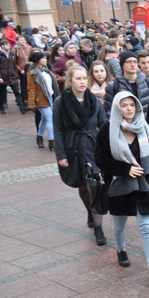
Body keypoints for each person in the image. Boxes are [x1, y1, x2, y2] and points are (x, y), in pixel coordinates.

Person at [95, 91, 149, 283]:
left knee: (146, 226)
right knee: (119, 224)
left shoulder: (144, 127)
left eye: (131, 105)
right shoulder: (108, 129)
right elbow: (100, 158)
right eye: (124, 105)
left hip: (143, 183)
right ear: (118, 108)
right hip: (119, 183)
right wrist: (125, 169)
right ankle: (121, 249)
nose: (129, 109)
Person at [52, 64, 107, 245]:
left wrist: (106, 147)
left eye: (84, 78)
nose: (82, 82)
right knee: (83, 185)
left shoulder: (93, 101)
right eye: (78, 79)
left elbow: (103, 124)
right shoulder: (61, 102)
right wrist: (60, 154)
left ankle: (98, 228)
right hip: (73, 146)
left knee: (96, 184)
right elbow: (58, 130)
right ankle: (89, 211)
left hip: (92, 146)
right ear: (70, 80)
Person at [104, 51, 149, 118]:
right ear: (122, 65)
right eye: (129, 62)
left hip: (146, 124)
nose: (133, 64)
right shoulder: (113, 86)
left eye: (135, 62)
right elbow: (109, 110)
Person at [26, 51, 59, 149]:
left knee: (44, 120)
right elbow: (31, 89)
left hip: (50, 96)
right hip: (41, 99)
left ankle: (39, 137)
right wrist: (31, 104)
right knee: (50, 118)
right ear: (38, 60)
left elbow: (51, 82)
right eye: (43, 58)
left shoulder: (46, 69)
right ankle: (52, 140)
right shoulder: (32, 73)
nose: (46, 60)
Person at [0, 38, 24, 114]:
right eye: (7, 45)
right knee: (2, 94)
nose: (9, 46)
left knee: (17, 92)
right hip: (3, 77)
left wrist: (17, 77)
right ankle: (1, 107)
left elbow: (14, 66)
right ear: (2, 46)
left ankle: (22, 107)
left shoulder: (11, 54)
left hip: (12, 76)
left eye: (9, 45)